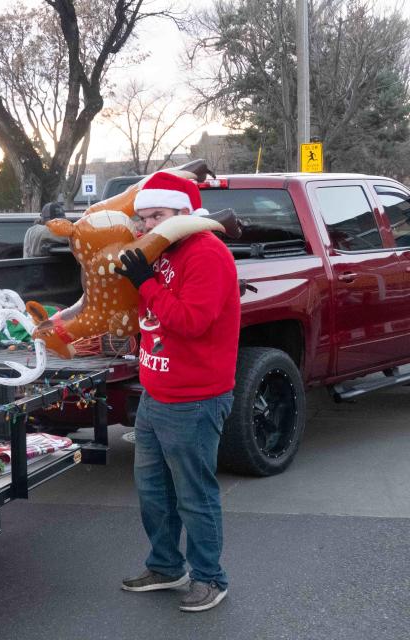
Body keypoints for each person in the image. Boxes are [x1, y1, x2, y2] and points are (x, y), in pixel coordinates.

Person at [113, 171, 240, 612]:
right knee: (153, 493)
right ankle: (167, 566)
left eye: (158, 216)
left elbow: (191, 321)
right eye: (143, 218)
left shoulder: (207, 253)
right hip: (155, 394)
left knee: (193, 495)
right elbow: (152, 318)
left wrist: (145, 282)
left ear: (184, 215)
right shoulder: (158, 253)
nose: (147, 226)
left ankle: (210, 578)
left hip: (195, 399)